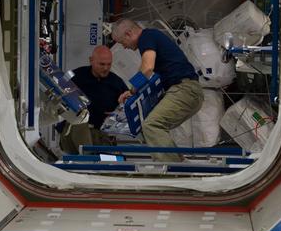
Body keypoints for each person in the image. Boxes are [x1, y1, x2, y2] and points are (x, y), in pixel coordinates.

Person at [111, 19, 203, 162]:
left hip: (184, 90)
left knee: (152, 125)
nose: (124, 47)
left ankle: (171, 171)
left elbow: (147, 68)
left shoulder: (146, 37)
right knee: (156, 126)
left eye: (122, 42)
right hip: (188, 91)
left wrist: (132, 91)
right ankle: (179, 163)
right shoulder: (153, 37)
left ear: (128, 33)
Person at [60, 45, 128, 152]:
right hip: (76, 128)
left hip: (101, 132)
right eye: (101, 64)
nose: (105, 68)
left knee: (108, 159)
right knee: (80, 121)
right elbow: (59, 82)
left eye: (108, 64)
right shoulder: (75, 74)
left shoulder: (117, 82)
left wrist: (118, 111)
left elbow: (127, 105)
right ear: (91, 60)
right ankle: (88, 158)